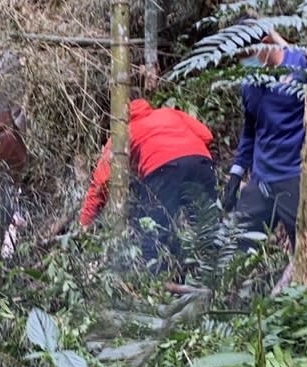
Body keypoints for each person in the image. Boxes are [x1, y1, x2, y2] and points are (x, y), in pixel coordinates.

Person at [221, 21, 307, 248]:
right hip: (261, 179)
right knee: (236, 246)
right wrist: (236, 174)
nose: (243, 61)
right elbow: (250, 132)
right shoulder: (249, 85)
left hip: (295, 176)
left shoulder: (303, 64)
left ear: (266, 43)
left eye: (247, 54)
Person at [79, 98, 217, 264]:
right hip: (201, 163)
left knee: (153, 234)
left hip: (163, 170)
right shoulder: (170, 113)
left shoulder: (123, 132)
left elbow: (101, 181)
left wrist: (86, 222)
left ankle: (158, 283)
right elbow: (207, 135)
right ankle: (216, 273)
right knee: (207, 225)